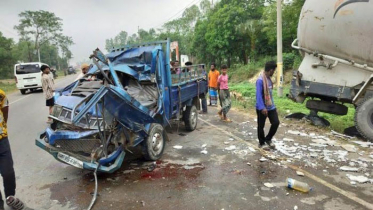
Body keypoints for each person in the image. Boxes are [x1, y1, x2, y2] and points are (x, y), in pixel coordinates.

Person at [0, 89, 25, 210]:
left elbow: (5, 111)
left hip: (1, 140)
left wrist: (3, 127)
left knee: (8, 172)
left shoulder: (0, 94)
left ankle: (10, 198)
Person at [256, 61, 279, 149]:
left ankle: (268, 139)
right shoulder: (260, 80)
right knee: (261, 126)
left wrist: (274, 106)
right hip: (262, 107)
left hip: (270, 106)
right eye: (274, 70)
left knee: (276, 122)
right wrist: (262, 107)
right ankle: (261, 142)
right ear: (270, 70)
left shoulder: (269, 79)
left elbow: (269, 94)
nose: (274, 72)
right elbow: (258, 96)